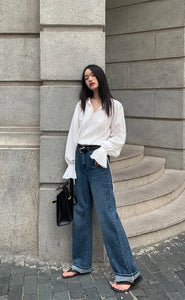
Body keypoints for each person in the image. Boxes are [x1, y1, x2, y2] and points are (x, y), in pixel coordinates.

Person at [62, 64, 142, 293]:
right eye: (86, 77)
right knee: (81, 212)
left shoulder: (114, 106)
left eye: (93, 74)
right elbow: (73, 135)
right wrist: (70, 164)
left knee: (107, 214)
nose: (89, 79)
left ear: (100, 77)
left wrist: (104, 149)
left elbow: (119, 136)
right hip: (80, 159)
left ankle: (128, 272)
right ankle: (81, 263)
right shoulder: (82, 105)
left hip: (98, 162)